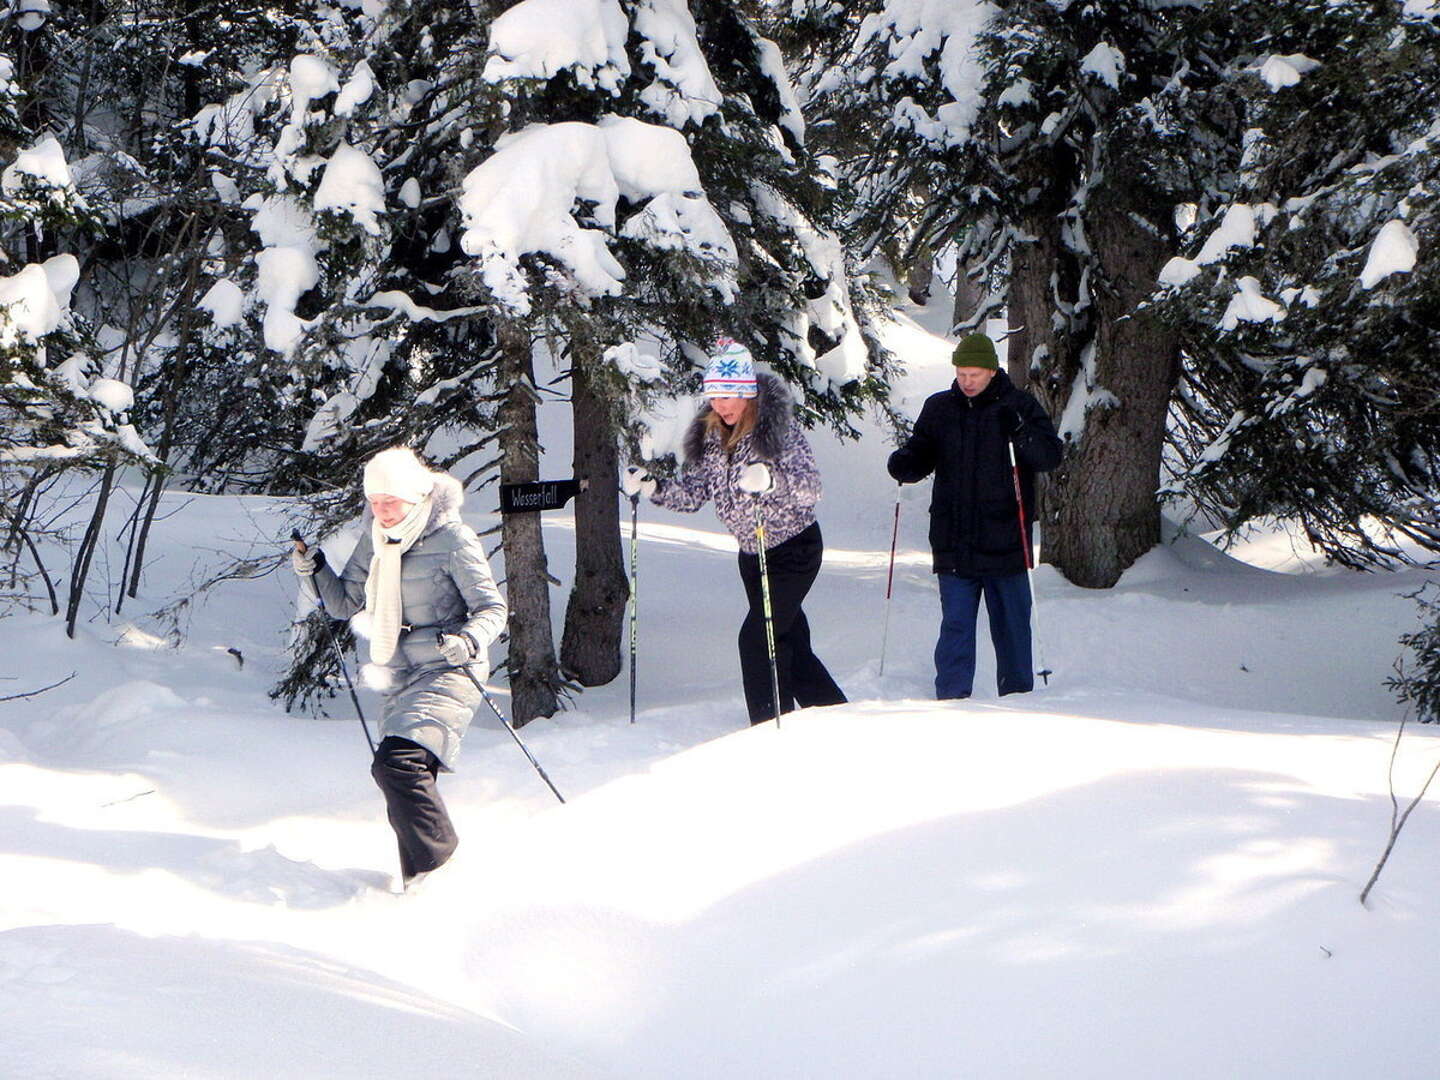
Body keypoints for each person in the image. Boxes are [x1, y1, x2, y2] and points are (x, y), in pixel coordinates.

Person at [291, 447, 507, 889]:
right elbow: (344, 603)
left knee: (398, 764)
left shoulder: (451, 538)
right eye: (374, 501)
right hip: (403, 669)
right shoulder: (375, 538)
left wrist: (467, 639)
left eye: (390, 501)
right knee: (402, 777)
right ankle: (419, 884)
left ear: (414, 497)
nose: (381, 511)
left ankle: (442, 867)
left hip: (451, 666)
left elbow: (492, 608)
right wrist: (313, 569)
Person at [625, 338, 846, 725]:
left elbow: (812, 488)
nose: (722, 404)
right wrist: (653, 488)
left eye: (730, 395)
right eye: (715, 395)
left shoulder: (777, 432)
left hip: (794, 549)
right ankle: (835, 716)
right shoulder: (711, 438)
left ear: (747, 394)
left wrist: (771, 479)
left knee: (757, 640)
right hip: (752, 554)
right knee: (789, 642)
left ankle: (768, 726)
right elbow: (694, 494)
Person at [887, 333, 1063, 700]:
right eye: (961, 374)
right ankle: (951, 699)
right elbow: (922, 451)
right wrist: (906, 463)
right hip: (954, 540)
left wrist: (1021, 433)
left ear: (991, 371)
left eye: (974, 375)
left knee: (1013, 627)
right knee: (956, 626)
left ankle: (1018, 699)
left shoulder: (1018, 406)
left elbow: (1049, 456)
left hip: (1007, 542)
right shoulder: (940, 408)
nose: (967, 381)